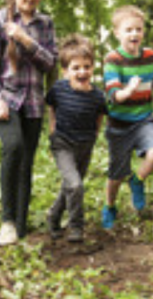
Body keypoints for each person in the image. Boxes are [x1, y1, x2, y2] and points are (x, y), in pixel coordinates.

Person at [0, 0, 58, 246]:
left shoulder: (45, 24)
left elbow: (50, 63)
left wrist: (26, 40)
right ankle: (7, 221)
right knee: (13, 147)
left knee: (26, 163)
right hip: (7, 99)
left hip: (34, 103)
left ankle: (21, 229)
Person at [102, 6, 153, 229]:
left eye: (138, 29)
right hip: (119, 124)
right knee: (116, 175)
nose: (134, 34)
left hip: (144, 119)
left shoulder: (150, 55)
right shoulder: (112, 59)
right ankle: (110, 206)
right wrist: (129, 90)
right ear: (117, 33)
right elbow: (115, 96)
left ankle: (138, 180)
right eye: (128, 30)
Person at [45, 34, 107, 243]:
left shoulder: (97, 96)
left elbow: (100, 115)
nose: (82, 72)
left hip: (85, 145)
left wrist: (95, 134)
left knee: (71, 186)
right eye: (76, 67)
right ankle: (76, 227)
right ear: (66, 70)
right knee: (75, 185)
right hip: (63, 143)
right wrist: (52, 128)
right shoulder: (59, 89)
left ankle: (53, 216)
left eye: (87, 66)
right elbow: (51, 107)